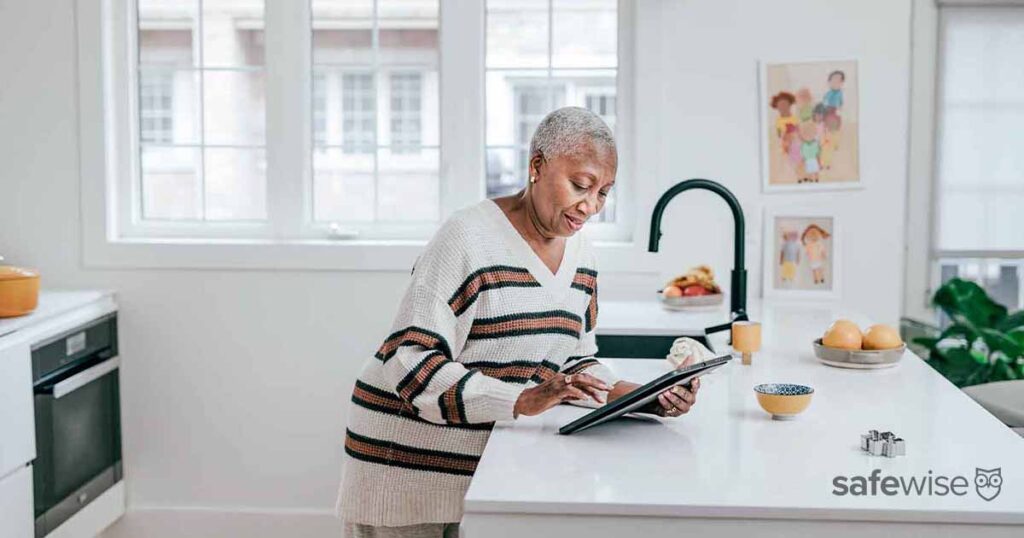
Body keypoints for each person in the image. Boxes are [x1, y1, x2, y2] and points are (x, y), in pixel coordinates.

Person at [336, 107, 703, 538]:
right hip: (403, 465)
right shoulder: (467, 238)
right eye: (581, 185)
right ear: (536, 167)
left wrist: (642, 399)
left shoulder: (582, 256)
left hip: (486, 468)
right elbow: (412, 362)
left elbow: (574, 365)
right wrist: (520, 400)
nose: (591, 206)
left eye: (604, 192)